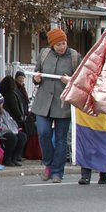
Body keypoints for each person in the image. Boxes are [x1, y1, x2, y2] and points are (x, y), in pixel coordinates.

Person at [31, 27, 81, 183]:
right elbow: (36, 74)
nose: (62, 46)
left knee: (61, 138)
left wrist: (70, 81)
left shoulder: (74, 57)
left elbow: (81, 80)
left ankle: (57, 172)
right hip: (43, 102)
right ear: (52, 45)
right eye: (58, 44)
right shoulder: (44, 55)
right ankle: (48, 164)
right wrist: (36, 79)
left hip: (62, 103)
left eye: (64, 43)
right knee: (43, 133)